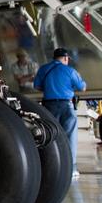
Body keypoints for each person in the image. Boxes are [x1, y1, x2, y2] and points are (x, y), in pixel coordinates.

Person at [34, 47, 86, 178]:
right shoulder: (69, 70)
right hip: (66, 105)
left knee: (51, 135)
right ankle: (71, 168)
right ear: (66, 58)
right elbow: (82, 87)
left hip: (48, 105)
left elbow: (37, 86)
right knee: (70, 136)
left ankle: (52, 166)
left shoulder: (43, 69)